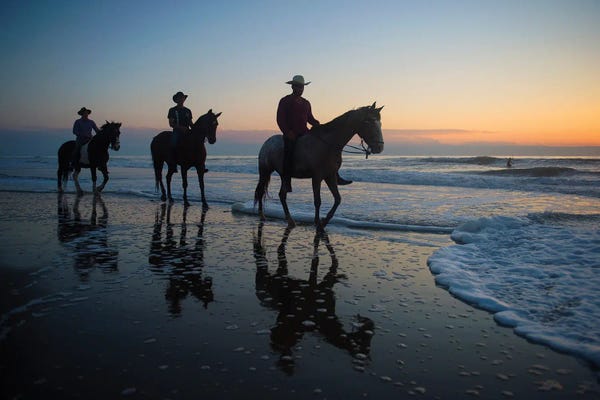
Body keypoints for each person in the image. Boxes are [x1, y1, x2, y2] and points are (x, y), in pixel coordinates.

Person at [276, 75, 351, 192]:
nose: (300, 89)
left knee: (326, 147)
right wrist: (287, 132)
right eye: (298, 87)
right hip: (291, 134)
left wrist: (317, 124)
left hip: (305, 132)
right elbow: (280, 119)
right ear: (292, 86)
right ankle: (286, 182)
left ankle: (335, 175)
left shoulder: (306, 103)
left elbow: (310, 118)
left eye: (302, 87)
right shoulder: (285, 101)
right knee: (288, 153)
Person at [167, 91, 193, 174]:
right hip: (177, 131)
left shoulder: (188, 111)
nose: (181, 99)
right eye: (179, 98)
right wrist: (181, 128)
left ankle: (199, 163)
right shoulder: (172, 110)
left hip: (187, 131)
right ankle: (172, 164)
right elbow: (171, 124)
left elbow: (191, 123)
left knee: (197, 142)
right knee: (173, 143)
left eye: (182, 98)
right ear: (176, 100)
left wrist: (196, 130)